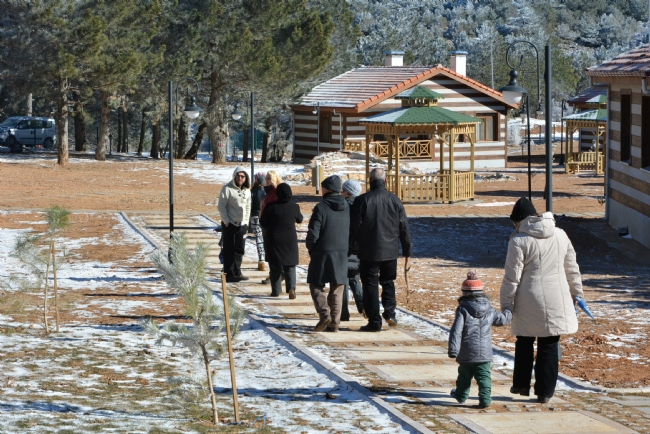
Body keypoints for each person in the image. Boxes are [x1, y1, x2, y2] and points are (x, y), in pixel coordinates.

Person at [500, 197, 583, 404]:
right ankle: (545, 392)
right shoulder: (560, 234)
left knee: (524, 340)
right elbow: (572, 268)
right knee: (549, 343)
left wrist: (507, 305)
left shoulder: (518, 241)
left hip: (528, 298)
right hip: (557, 297)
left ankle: (521, 384)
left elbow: (512, 278)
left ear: (519, 220)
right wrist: (577, 293)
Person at [350, 168, 412, 332]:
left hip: (368, 250)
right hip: (390, 250)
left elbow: (355, 226)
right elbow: (404, 227)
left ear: (370, 181)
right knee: (388, 282)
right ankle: (390, 313)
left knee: (370, 285)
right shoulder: (395, 200)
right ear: (386, 181)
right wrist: (407, 249)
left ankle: (374, 321)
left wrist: (353, 245)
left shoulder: (361, 200)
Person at [448, 271, 512, 409]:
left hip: (466, 351)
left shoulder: (462, 309)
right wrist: (509, 310)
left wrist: (453, 349)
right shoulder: (489, 309)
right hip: (484, 352)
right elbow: (502, 320)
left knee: (464, 376)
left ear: (464, 293)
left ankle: (461, 396)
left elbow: (456, 331)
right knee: (484, 377)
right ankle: (485, 399)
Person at [306, 175, 350, 332]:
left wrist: (311, 248)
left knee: (315, 284)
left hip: (322, 251)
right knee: (337, 288)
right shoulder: (348, 207)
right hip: (342, 251)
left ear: (327, 189)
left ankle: (325, 314)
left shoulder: (321, 207)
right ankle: (335, 324)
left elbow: (313, 232)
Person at [260, 183, 303, 299]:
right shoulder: (294, 207)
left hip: (274, 239)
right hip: (290, 240)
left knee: (275, 266)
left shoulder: (270, 206)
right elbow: (300, 219)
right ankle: (291, 288)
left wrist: (270, 227)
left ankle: (276, 291)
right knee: (290, 265)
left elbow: (262, 222)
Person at [218, 166, 251, 283]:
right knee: (229, 250)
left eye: (242, 176)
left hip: (242, 225)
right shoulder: (227, 189)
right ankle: (228, 273)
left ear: (246, 178)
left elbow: (248, 207)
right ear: (234, 176)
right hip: (230, 224)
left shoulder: (247, 191)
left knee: (239, 249)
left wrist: (246, 222)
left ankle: (237, 271)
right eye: (238, 176)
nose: (240, 178)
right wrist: (226, 221)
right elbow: (221, 206)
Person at [340, 179, 364, 321]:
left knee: (342, 280)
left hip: (344, 247)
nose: (341, 192)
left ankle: (343, 313)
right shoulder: (362, 205)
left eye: (343, 190)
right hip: (359, 249)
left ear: (348, 192)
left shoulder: (344, 206)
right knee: (355, 278)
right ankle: (363, 306)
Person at [260, 170, 282, 285]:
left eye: (269, 178)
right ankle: (274, 273)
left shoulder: (277, 191)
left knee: (273, 252)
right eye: (266, 178)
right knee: (268, 252)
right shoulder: (267, 191)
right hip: (265, 224)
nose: (266, 180)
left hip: (272, 226)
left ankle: (276, 274)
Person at [250, 172, 267, 271]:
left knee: (259, 239)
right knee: (265, 238)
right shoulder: (267, 192)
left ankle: (261, 261)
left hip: (255, 216)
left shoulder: (253, 191)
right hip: (265, 216)